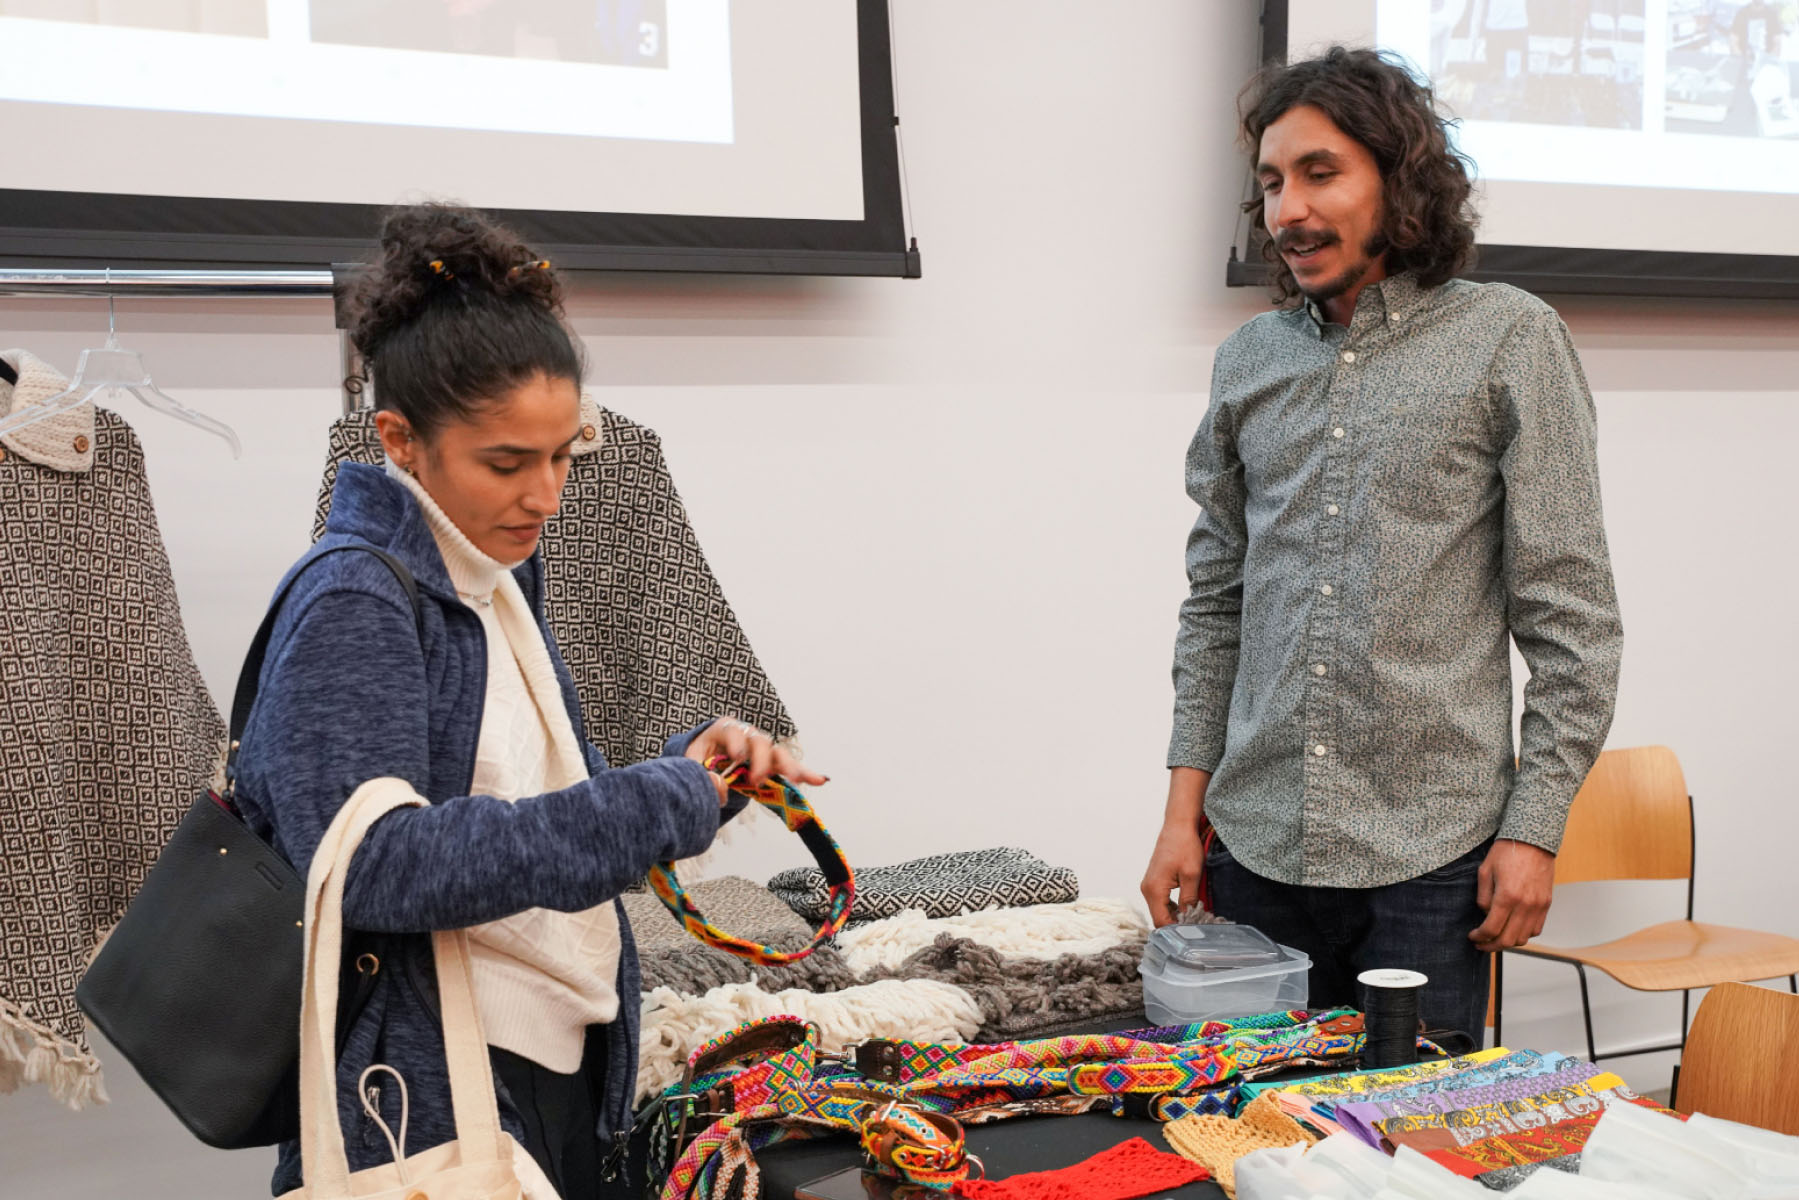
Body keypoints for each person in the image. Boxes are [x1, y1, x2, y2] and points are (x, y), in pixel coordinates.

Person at [231, 203, 821, 1198]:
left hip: (544, 1055)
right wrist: (653, 804)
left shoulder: (490, 569)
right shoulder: (355, 599)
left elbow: (534, 792)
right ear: (400, 440)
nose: (544, 495)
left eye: (559, 455)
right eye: (506, 462)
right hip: (428, 1085)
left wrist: (695, 771)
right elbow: (373, 867)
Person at [1139, 47, 1622, 1039]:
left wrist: (1532, 832)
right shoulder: (1248, 359)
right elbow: (1215, 600)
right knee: (1252, 1148)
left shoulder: (1507, 340)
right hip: (1254, 844)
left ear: (1399, 181)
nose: (1286, 211)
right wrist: (1181, 810)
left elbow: (1572, 620)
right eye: (1270, 182)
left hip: (1431, 861)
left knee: (1411, 1158)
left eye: (1320, 172)